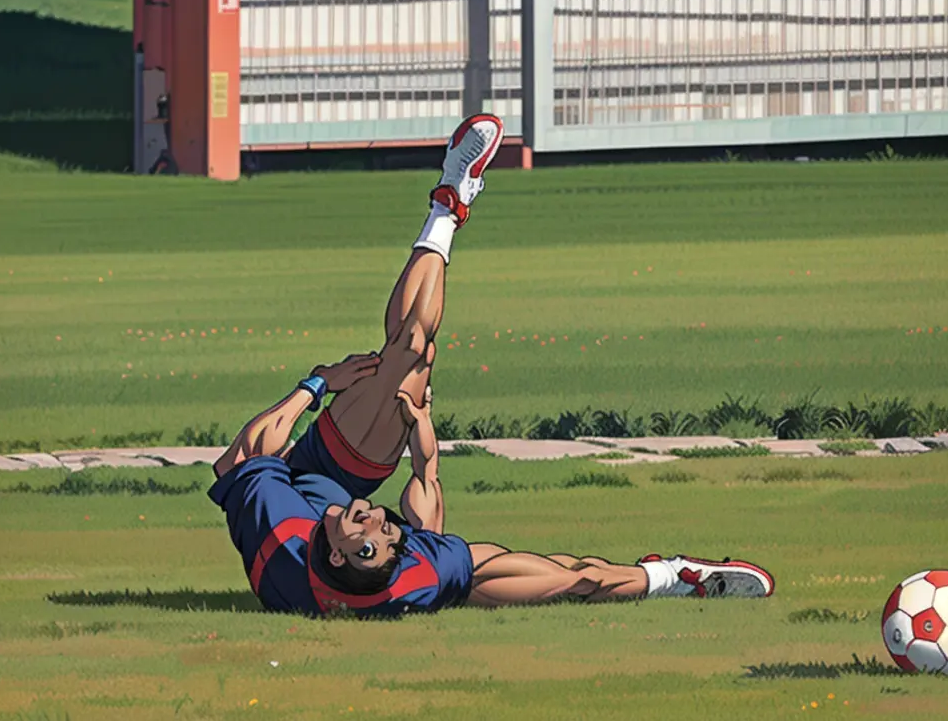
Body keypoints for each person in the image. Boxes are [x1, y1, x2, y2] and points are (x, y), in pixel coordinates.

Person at [208, 114, 775, 617]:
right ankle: (675, 577)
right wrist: (421, 436)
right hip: (367, 518)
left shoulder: (279, 532)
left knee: (402, 359)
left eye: (371, 531)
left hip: (311, 475)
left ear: (334, 549)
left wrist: (318, 382)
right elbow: (426, 488)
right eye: (387, 534)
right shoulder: (412, 574)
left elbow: (243, 452)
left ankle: (448, 202)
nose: (382, 521)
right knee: (574, 578)